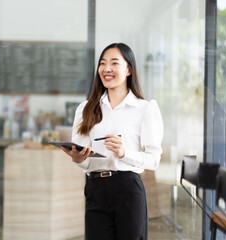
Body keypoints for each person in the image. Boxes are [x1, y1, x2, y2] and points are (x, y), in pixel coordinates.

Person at [61, 43, 163, 240]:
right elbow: (86, 161)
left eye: (114, 63)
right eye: (102, 63)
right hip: (95, 188)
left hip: (128, 188)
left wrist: (125, 152)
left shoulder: (145, 109)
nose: (106, 69)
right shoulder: (85, 109)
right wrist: (78, 158)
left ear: (129, 69)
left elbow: (154, 160)